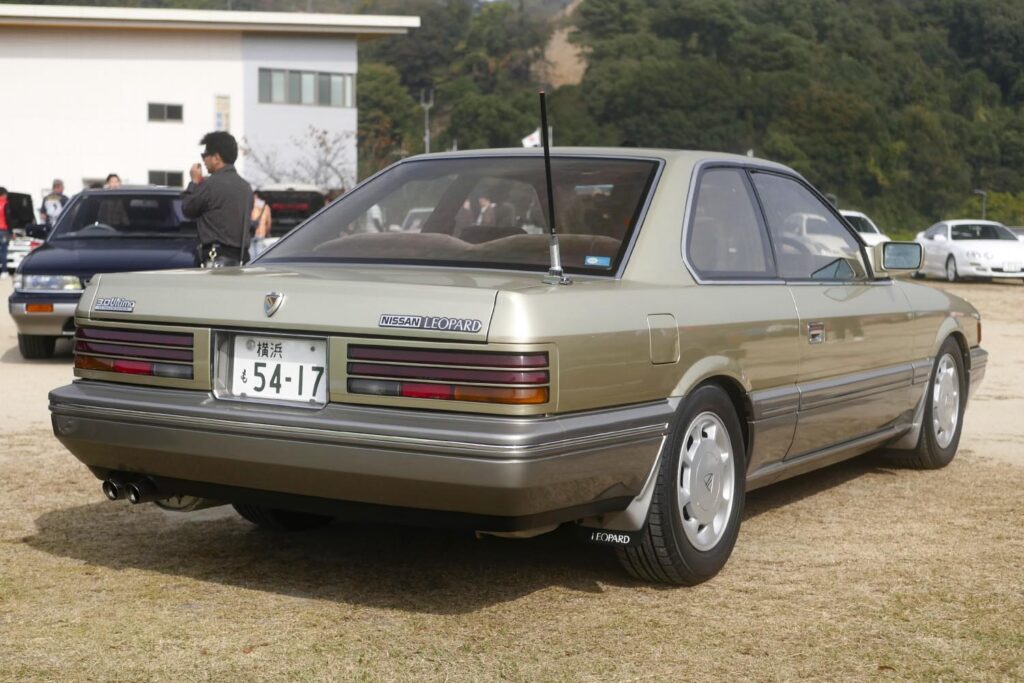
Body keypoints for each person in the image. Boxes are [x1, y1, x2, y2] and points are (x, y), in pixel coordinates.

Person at [182, 131, 253, 267]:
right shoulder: (246, 188)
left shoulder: (209, 185)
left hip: (215, 260)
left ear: (216, 158)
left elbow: (188, 208)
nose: (203, 160)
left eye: (205, 155)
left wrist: (194, 182)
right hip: (241, 259)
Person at [0, 188, 10, 278]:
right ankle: (4, 271)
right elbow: (8, 219)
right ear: (3, 194)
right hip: (3, 230)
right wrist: (11, 231)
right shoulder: (5, 204)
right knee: (3, 251)